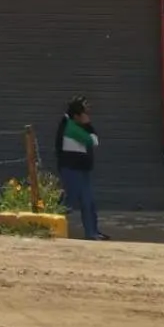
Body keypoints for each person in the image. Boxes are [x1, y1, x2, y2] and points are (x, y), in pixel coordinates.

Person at [55, 96, 108, 241]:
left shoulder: (73, 125)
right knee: (68, 202)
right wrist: (88, 125)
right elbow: (94, 141)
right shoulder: (72, 128)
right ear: (77, 115)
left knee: (88, 201)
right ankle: (48, 225)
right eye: (84, 113)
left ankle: (92, 232)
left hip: (81, 169)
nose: (87, 116)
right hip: (72, 170)